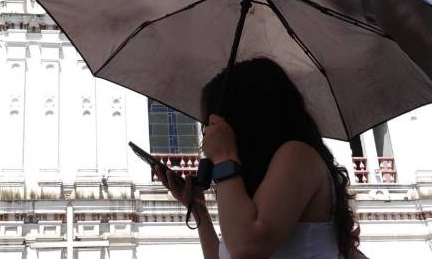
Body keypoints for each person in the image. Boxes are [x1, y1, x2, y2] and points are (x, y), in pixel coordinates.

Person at [155, 57, 366, 259]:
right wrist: (198, 208)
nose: (208, 135)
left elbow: (248, 249)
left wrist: (224, 156)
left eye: (212, 126)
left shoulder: (297, 155)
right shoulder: (253, 190)